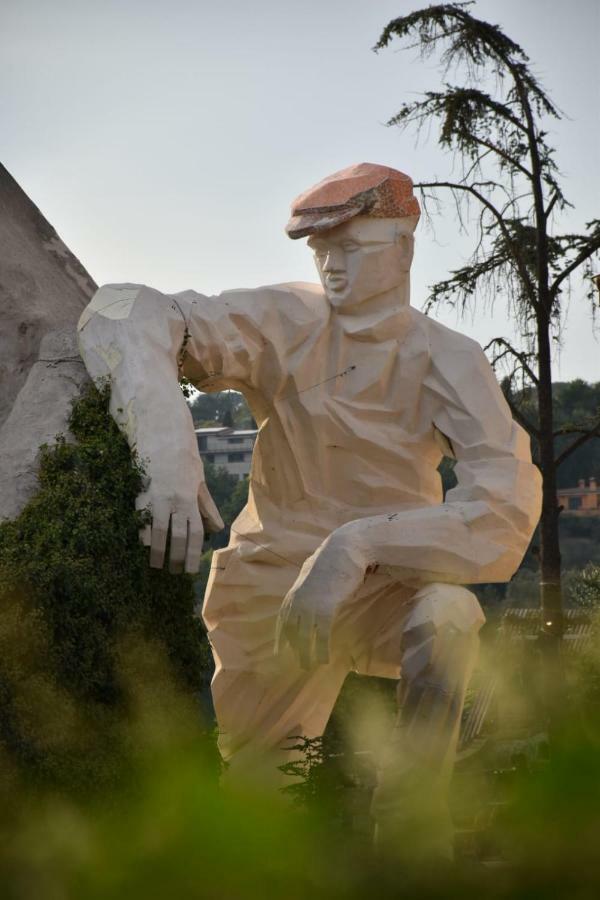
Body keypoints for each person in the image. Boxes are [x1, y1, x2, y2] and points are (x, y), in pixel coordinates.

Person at [77, 163, 541, 854]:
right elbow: (120, 308)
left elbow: (505, 512)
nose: (331, 265)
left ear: (405, 249)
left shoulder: (447, 358)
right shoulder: (288, 320)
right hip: (269, 591)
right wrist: (167, 450)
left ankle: (413, 847)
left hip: (383, 589)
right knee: (261, 817)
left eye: (351, 247)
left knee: (449, 616)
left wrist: (356, 545)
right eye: (320, 250)